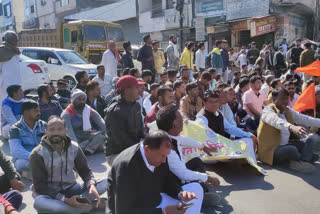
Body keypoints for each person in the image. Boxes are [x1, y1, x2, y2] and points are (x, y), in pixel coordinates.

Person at [106, 130, 202, 214]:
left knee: (196, 188)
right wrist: (163, 211)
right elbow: (123, 211)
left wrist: (180, 194)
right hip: (134, 209)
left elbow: (166, 180)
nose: (164, 160)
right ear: (147, 149)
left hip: (154, 200)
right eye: (162, 156)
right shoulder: (126, 166)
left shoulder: (160, 154)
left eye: (166, 156)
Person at [30, 116, 108, 213]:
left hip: (72, 189)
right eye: (52, 129)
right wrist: (65, 200)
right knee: (39, 202)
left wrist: (91, 185)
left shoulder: (74, 147)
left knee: (106, 182)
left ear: (65, 131)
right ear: (46, 132)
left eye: (59, 129)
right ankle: (90, 206)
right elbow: (40, 186)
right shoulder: (37, 153)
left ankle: (74, 207)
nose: (56, 133)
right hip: (50, 195)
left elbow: (85, 170)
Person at [156, 104, 221, 207]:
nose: (183, 119)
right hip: (171, 183)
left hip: (178, 174)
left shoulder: (169, 135)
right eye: (180, 118)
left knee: (196, 161)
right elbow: (183, 174)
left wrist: (203, 147)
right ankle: (199, 197)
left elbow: (182, 139)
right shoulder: (167, 149)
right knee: (195, 184)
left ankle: (201, 191)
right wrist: (208, 178)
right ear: (174, 125)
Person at [258, 88, 320, 173]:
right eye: (282, 99)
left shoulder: (287, 110)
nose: (285, 101)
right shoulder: (267, 111)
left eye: (287, 99)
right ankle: (305, 157)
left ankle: (304, 159)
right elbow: (276, 121)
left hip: (286, 144)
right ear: (274, 99)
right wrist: (292, 127)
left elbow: (305, 119)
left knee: (310, 140)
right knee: (291, 149)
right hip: (272, 150)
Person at [196, 90, 258, 164]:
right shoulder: (201, 117)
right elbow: (204, 137)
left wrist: (248, 134)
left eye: (216, 101)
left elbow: (230, 128)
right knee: (226, 158)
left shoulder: (219, 114)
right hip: (208, 150)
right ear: (204, 103)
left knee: (249, 139)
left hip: (221, 146)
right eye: (211, 102)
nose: (214, 104)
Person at [104, 75, 145, 164]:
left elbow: (141, 132)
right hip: (118, 154)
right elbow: (123, 143)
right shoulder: (115, 112)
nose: (141, 90)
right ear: (127, 90)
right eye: (137, 87)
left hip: (134, 148)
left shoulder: (135, 105)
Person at [61, 89, 106, 155]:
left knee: (103, 135)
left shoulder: (88, 109)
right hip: (77, 140)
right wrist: (76, 147)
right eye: (79, 99)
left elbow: (100, 121)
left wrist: (110, 132)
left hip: (88, 137)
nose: (82, 101)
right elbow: (69, 133)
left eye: (83, 99)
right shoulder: (66, 114)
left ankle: (88, 150)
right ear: (73, 100)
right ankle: (87, 149)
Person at [9, 100, 46, 173]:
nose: (39, 113)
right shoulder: (15, 129)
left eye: (39, 111)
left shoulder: (44, 125)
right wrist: (35, 157)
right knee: (22, 163)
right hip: (27, 159)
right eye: (36, 111)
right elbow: (16, 151)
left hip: (43, 157)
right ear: (26, 113)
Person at [0, 31, 21, 103]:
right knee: (5, 104)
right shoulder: (2, 50)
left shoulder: (15, 51)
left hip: (17, 83)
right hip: (6, 85)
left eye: (16, 39)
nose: (16, 41)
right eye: (14, 39)